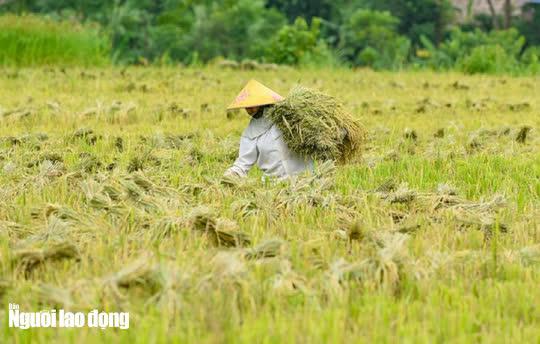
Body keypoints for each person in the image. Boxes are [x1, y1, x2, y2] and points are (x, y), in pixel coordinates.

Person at [224, 80, 313, 179]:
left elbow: (313, 140)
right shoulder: (251, 132)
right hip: (275, 184)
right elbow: (243, 162)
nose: (248, 110)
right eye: (246, 106)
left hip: (305, 179)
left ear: (262, 103)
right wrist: (232, 174)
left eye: (251, 105)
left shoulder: (289, 117)